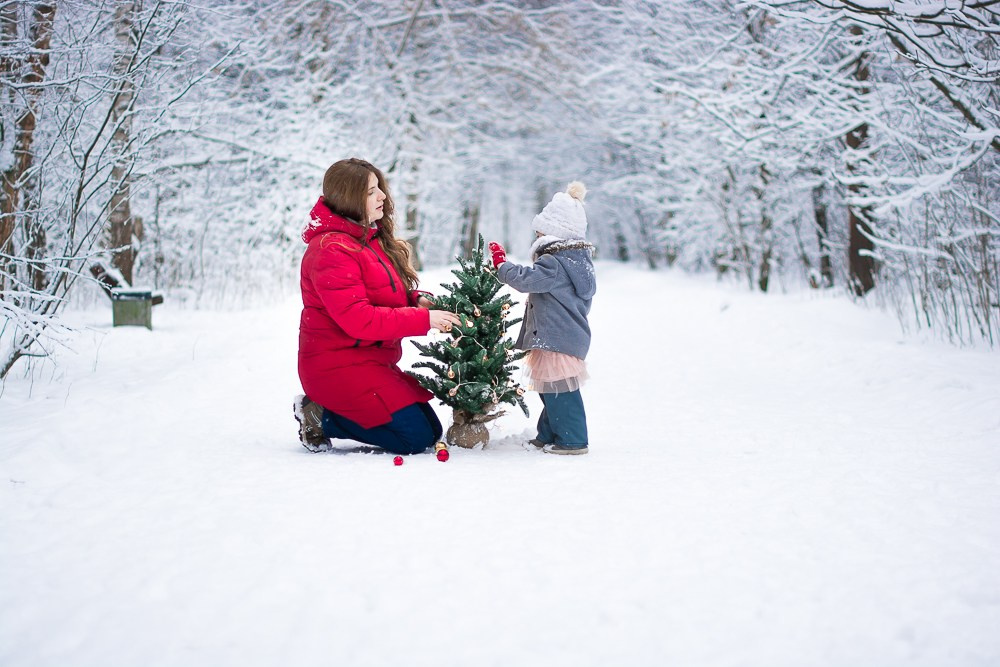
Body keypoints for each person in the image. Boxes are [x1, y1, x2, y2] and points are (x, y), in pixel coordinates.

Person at [293, 158, 461, 455]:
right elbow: (359, 319)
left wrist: (416, 300)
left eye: (379, 188)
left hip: (369, 360)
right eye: (371, 191)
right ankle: (320, 415)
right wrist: (424, 319)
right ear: (349, 197)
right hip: (336, 365)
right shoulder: (330, 250)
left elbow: (380, 294)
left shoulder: (366, 238)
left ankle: (334, 412)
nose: (382, 196)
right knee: (415, 437)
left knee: (431, 430)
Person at [488, 182, 596, 455]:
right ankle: (549, 433)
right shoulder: (577, 263)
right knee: (552, 389)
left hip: (556, 338)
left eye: (541, 229)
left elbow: (528, 280)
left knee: (560, 391)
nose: (536, 234)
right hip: (564, 336)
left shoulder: (554, 262)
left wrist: (502, 266)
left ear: (553, 233)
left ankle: (572, 439)